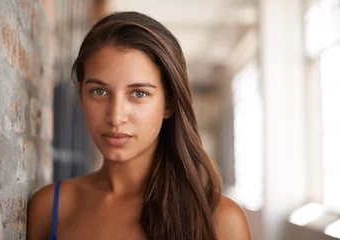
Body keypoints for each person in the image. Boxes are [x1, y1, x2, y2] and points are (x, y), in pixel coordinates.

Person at [27, 11, 252, 240]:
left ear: (169, 103)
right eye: (99, 91)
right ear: (81, 94)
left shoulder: (221, 220)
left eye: (138, 93)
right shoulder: (49, 208)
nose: (116, 117)